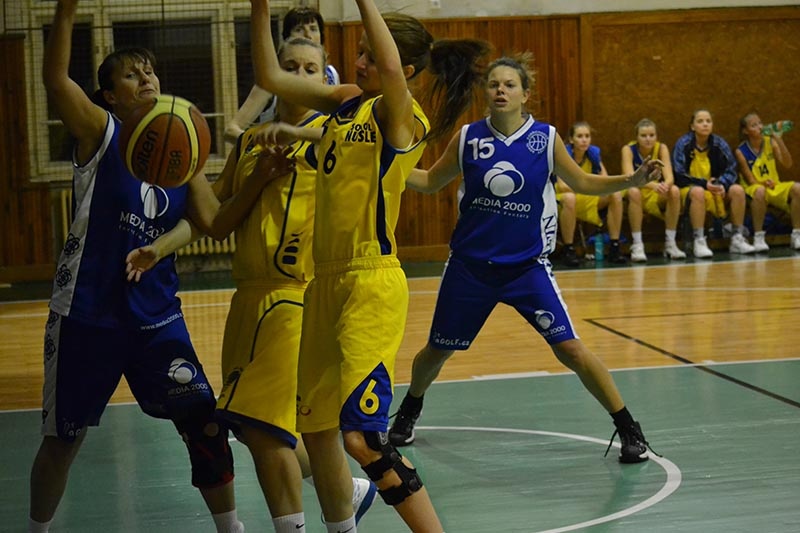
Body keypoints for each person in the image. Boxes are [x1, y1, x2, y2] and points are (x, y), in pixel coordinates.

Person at [29, 1, 277, 531]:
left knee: (204, 424)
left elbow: (215, 223)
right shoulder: (101, 132)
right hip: (87, 316)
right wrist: (66, 12)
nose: (146, 78)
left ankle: (231, 528)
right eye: (131, 74)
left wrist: (259, 176)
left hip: (156, 318)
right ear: (109, 95)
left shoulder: (182, 149)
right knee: (63, 440)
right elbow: (54, 80)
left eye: (150, 71)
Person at [250, 0, 489, 530]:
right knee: (315, 429)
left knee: (362, 438)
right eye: (357, 53)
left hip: (370, 282)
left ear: (403, 69)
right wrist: (259, 7)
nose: (358, 63)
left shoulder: (403, 116)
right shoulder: (345, 103)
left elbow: (390, 69)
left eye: (369, 56)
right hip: (324, 282)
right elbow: (270, 76)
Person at [126, 36, 377, 533]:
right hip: (250, 299)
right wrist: (164, 240)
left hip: (297, 295)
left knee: (266, 431)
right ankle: (348, 499)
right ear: (272, 75)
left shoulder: (334, 138)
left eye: (310, 68)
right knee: (264, 427)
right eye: (289, 66)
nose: (299, 75)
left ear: (324, 77)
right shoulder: (251, 142)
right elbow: (216, 220)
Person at [387, 55, 660, 466]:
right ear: (486, 93)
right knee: (436, 351)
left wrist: (632, 180)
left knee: (571, 349)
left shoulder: (545, 139)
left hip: (526, 268)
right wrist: (386, 164)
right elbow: (428, 181)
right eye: (494, 84)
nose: (501, 89)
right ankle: (411, 407)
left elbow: (582, 182)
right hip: (470, 268)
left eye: (510, 84)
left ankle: (628, 427)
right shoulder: (468, 138)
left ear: (525, 94)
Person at [224, 6, 339, 143]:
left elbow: (343, 135)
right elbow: (230, 130)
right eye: (299, 29)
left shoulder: (332, 74)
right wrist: (259, 145)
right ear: (286, 36)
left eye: (313, 29)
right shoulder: (270, 80)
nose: (308, 35)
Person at [672, 108, 756, 257]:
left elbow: (731, 169)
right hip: (689, 190)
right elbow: (679, 174)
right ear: (692, 126)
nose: (705, 124)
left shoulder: (719, 144)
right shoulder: (683, 144)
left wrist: (721, 183)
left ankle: (737, 238)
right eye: (700, 121)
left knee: (737, 190)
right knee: (698, 192)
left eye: (708, 121)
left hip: (714, 189)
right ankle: (699, 240)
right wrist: (704, 184)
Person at [556, 121, 627, 266]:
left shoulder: (593, 155)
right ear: (571, 140)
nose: (584, 140)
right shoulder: (564, 155)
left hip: (586, 195)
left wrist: (591, 189)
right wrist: (588, 188)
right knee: (569, 198)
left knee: (615, 194)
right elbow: (562, 186)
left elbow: (605, 181)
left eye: (587, 136)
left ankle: (614, 246)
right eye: (580, 136)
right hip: (564, 198)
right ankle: (568, 249)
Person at [621, 118, 686, 261]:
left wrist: (665, 185)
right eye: (643, 136)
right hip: (636, 189)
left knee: (674, 191)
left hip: (655, 191)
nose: (648, 139)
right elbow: (630, 177)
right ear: (637, 137)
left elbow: (669, 176)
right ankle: (637, 244)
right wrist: (653, 185)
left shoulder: (661, 148)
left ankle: (670, 243)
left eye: (651, 135)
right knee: (634, 192)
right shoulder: (628, 150)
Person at [734, 112, 800, 251]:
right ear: (746, 131)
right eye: (754, 125)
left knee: (797, 188)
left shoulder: (770, 142)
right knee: (760, 191)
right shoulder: (741, 151)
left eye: (760, 123)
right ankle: (758, 237)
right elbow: (750, 180)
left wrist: (779, 140)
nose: (759, 127)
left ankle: (796, 235)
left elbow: (788, 164)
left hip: (774, 185)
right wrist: (763, 183)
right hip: (753, 187)